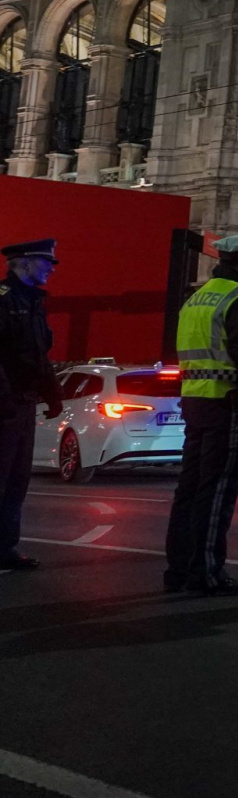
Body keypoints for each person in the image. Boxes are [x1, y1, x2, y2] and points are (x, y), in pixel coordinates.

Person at [164, 231, 238, 596]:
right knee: (217, 489)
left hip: (194, 401)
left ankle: (178, 569)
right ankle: (207, 572)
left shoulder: (196, 298)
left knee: (189, 488)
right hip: (226, 401)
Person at [0, 239, 64, 572]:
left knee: (16, 479)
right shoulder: (4, 299)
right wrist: (5, 399)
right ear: (23, 263)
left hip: (21, 405)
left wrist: (53, 394)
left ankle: (5, 547)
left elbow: (39, 355)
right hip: (5, 406)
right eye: (45, 262)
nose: (51, 268)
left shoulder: (33, 302)